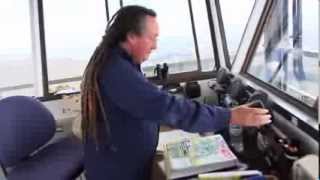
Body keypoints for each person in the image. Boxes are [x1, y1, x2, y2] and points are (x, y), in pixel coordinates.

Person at [81, 5, 271, 180]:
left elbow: (147, 105)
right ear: (132, 36)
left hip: (122, 161)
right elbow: (165, 107)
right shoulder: (117, 71)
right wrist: (231, 116)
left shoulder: (118, 62)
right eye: (152, 37)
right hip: (118, 171)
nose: (155, 45)